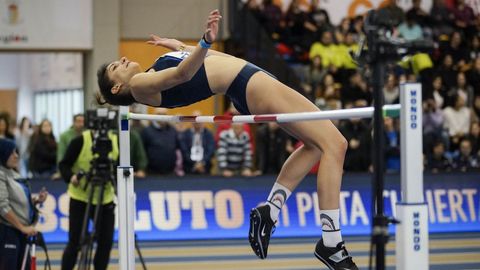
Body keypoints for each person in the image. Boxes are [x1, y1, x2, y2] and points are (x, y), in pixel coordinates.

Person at [96, 10, 356, 269]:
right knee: (336, 144)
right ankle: (331, 243)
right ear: (117, 87)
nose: (122, 59)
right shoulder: (140, 84)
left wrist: (180, 46)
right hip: (247, 83)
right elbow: (182, 75)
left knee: (314, 146)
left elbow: (203, 62)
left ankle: (270, 210)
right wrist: (203, 42)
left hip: (249, 80)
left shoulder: (152, 72)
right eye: (115, 67)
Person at [59, 129, 118, 270]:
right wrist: (71, 177)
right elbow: (64, 164)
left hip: (105, 198)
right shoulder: (79, 141)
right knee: (75, 242)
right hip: (81, 198)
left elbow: (121, 166)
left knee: (105, 242)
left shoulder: (116, 140)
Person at [0, 138, 48, 269]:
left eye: (16, 152)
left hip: (21, 232)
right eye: (12, 153)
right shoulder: (1, 174)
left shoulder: (13, 173)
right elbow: (2, 207)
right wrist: (22, 227)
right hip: (7, 232)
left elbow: (15, 201)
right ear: (3, 154)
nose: (16, 156)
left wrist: (36, 201)